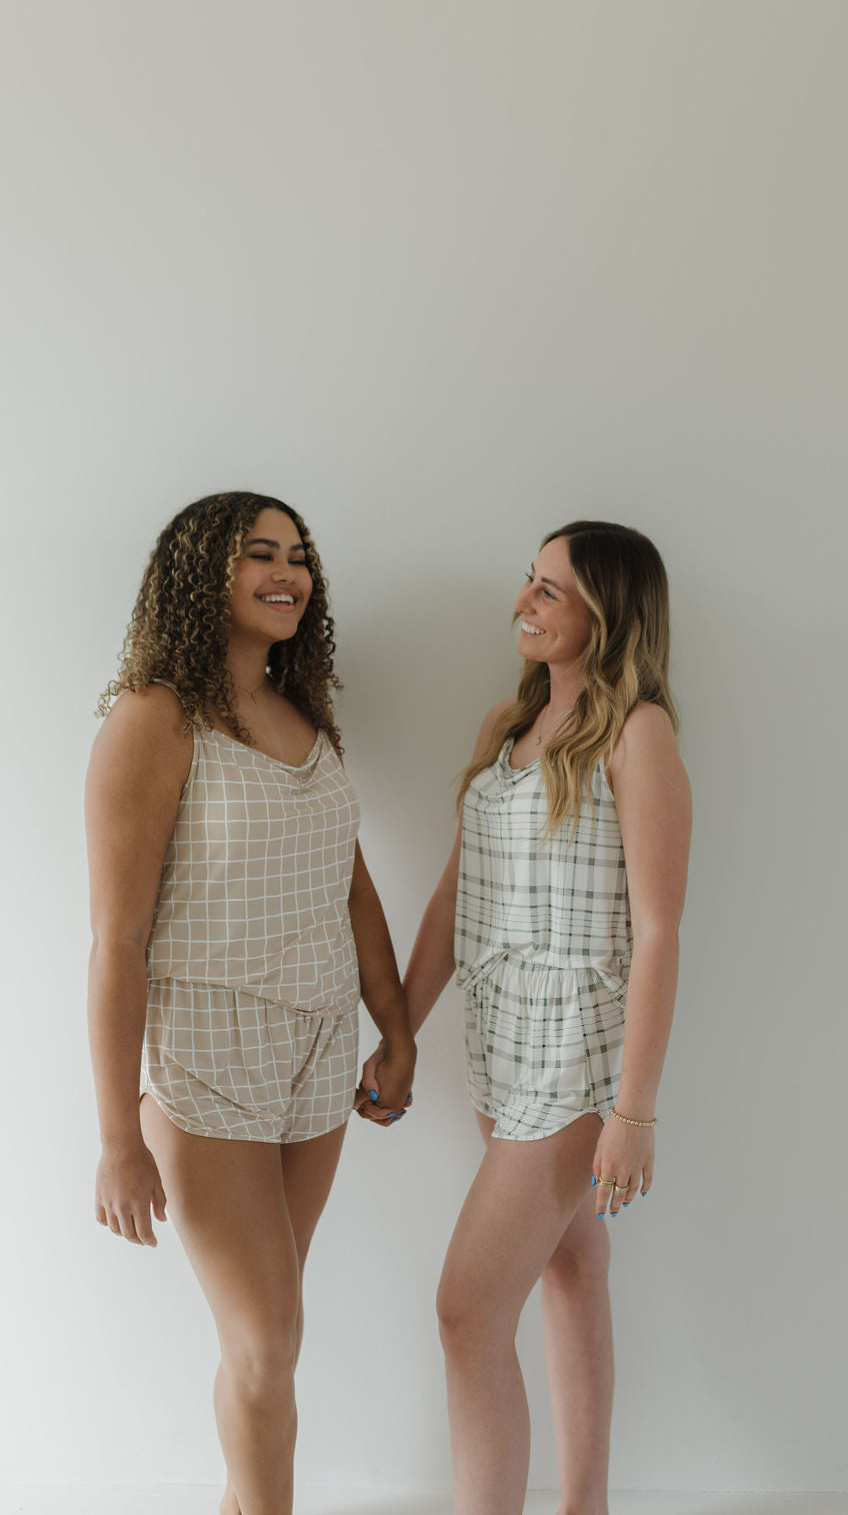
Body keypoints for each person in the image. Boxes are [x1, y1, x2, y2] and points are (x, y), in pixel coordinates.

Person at [86, 492, 415, 1515]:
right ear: (200, 576)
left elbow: (349, 888)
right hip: (206, 1058)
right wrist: (117, 1138)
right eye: (257, 554)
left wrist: (393, 1027)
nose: (287, 572)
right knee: (270, 1342)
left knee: (266, 1337)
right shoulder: (154, 718)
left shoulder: (300, 714)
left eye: (298, 555)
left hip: (318, 1051)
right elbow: (117, 942)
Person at [361, 519, 692, 1515]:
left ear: (606, 609)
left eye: (551, 590)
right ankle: (584, 1505)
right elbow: (454, 902)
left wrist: (633, 1111)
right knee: (569, 1268)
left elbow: (659, 933)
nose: (526, 603)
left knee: (465, 1314)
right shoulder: (500, 732)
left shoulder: (638, 733)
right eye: (529, 582)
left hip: (579, 1062)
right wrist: (403, 1032)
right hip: (500, 1044)